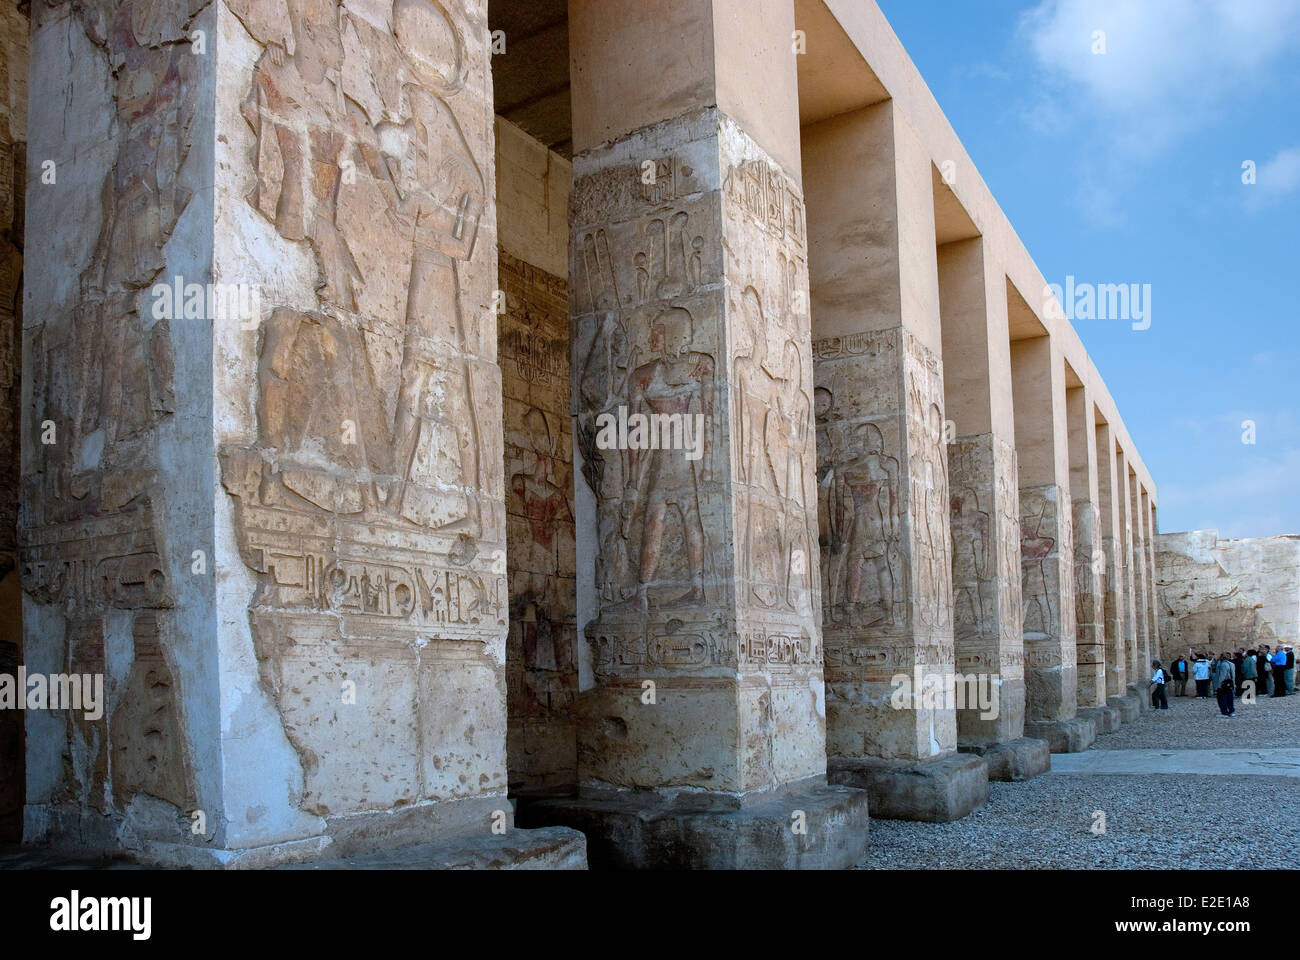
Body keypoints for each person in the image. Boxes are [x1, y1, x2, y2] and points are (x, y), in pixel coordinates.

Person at [1214, 652, 1236, 717]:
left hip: (1223, 684)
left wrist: (1218, 685)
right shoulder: (1231, 664)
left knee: (1222, 698)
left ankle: (1224, 712)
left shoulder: (1223, 665)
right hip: (1230, 683)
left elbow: (1222, 676)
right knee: (1229, 698)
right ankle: (1231, 711)